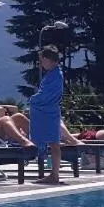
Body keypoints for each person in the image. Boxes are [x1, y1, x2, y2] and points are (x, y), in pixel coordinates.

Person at [29, 45, 66, 185]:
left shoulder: (56, 76)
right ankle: (53, 174)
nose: (42, 63)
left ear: (51, 60)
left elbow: (47, 95)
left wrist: (33, 100)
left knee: (54, 143)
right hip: (48, 112)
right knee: (53, 142)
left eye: (44, 60)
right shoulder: (53, 75)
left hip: (49, 112)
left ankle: (54, 175)